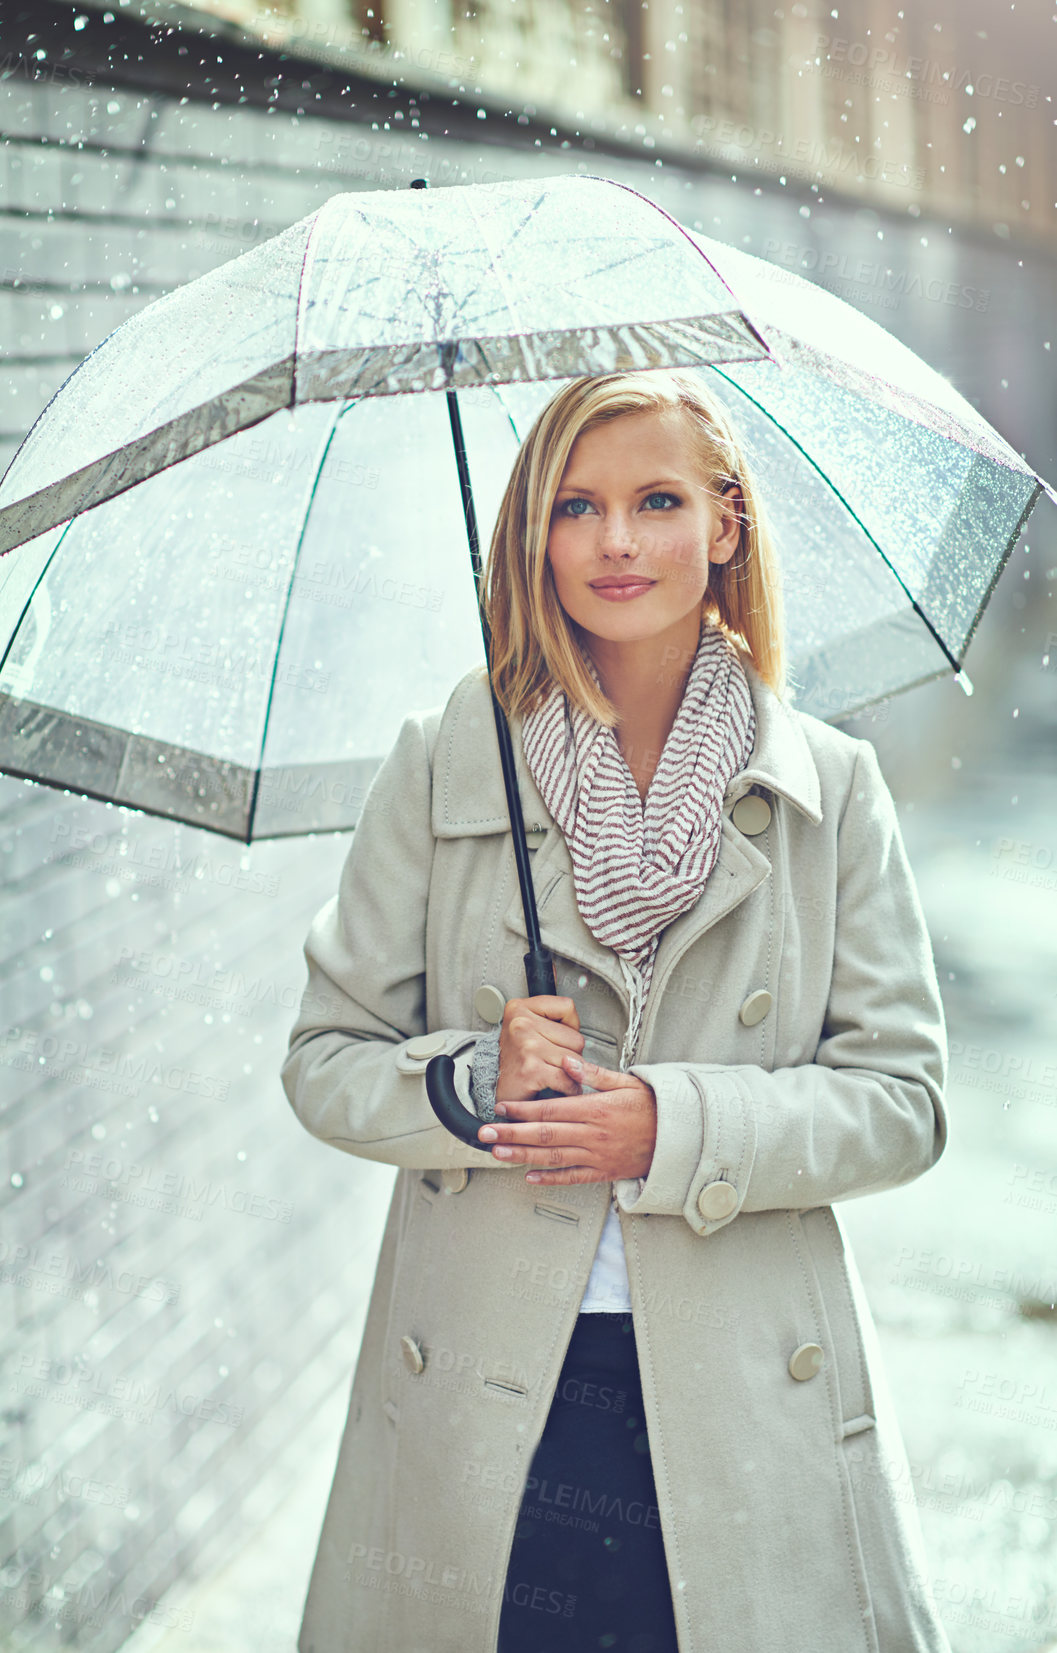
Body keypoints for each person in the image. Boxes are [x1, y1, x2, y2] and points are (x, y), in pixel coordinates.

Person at [280, 369, 953, 1653]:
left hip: (744, 1383)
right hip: (489, 1384)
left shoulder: (832, 787)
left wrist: (673, 1127)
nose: (618, 543)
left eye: (657, 500)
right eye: (576, 507)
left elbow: (904, 1104)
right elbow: (325, 1062)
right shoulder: (444, 761)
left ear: (727, 523)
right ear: (533, 533)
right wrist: (474, 1074)